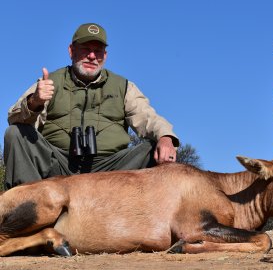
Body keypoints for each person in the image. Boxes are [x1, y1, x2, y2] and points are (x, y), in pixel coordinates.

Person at [4, 23, 179, 189]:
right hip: (60, 164)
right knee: (15, 133)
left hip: (111, 169)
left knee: (152, 147)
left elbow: (148, 118)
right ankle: (26, 208)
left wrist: (165, 137)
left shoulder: (123, 86)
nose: (92, 56)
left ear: (105, 56)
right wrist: (34, 102)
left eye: (98, 51)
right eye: (86, 49)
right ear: (71, 51)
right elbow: (14, 118)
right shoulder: (50, 82)